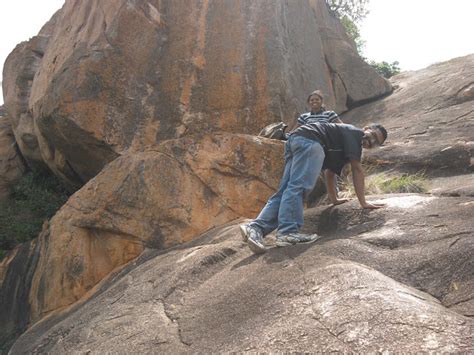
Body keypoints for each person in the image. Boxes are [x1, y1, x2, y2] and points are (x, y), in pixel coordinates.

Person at [240, 121, 388, 254]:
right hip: (310, 141)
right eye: (373, 135)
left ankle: (256, 228)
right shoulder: (355, 134)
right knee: (298, 188)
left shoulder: (340, 142)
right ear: (366, 128)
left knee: (286, 190)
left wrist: (334, 199)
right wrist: (363, 202)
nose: (371, 141)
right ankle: (288, 232)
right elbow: (357, 169)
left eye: (376, 143)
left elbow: (329, 172)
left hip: (296, 140)